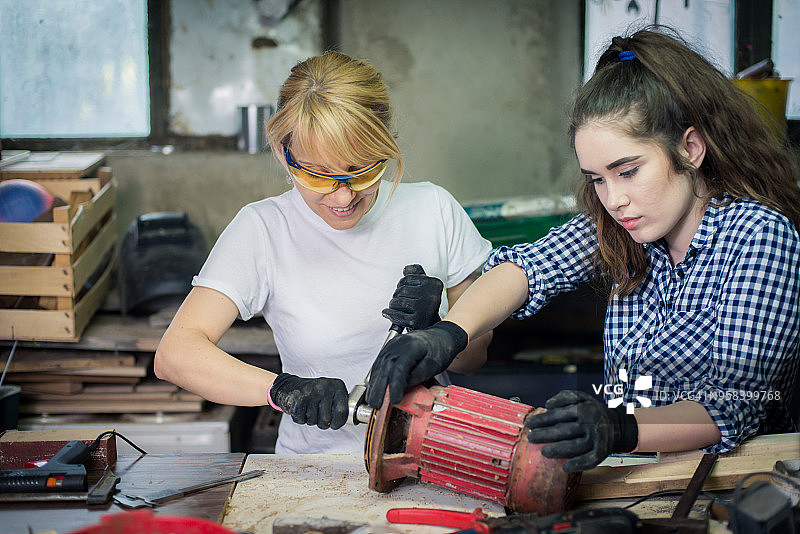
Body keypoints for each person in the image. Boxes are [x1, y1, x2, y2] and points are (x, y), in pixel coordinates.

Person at [365, 26, 800, 472]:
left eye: (628, 171)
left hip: (739, 485)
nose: (613, 200)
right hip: (639, 476)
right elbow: (528, 269)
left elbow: (732, 403)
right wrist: (448, 333)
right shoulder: (622, 227)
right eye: (597, 179)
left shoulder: (759, 237)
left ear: (690, 148)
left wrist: (617, 428)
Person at [154, 51, 493, 454]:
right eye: (317, 175)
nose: (343, 196)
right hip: (312, 470)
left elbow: (474, 360)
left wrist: (438, 330)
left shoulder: (434, 210)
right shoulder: (263, 229)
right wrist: (283, 390)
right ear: (284, 153)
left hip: (425, 459)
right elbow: (175, 354)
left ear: (386, 145)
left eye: (362, 171)